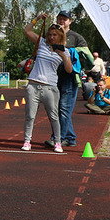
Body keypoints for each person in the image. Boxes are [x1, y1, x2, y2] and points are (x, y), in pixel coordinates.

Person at [22, 15, 73, 152]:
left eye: (54, 35)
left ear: (60, 36)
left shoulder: (65, 51)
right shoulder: (42, 43)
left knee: (53, 116)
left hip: (50, 87)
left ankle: (58, 142)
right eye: (50, 34)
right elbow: (27, 31)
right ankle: (27, 141)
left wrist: (63, 57)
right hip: (33, 85)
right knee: (30, 115)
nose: (51, 37)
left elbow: (69, 70)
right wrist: (37, 18)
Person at [54, 10, 88, 148]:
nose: (62, 21)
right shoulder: (53, 34)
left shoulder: (76, 37)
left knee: (64, 108)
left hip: (70, 77)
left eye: (65, 19)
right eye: (60, 18)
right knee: (56, 108)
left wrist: (70, 52)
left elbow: (86, 54)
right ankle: (70, 137)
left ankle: (59, 137)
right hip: (54, 76)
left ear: (70, 21)